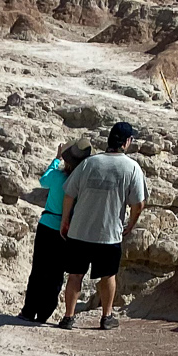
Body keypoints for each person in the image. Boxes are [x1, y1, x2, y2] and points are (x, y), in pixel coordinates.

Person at [57, 121, 147, 330]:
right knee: (108, 275)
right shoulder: (132, 167)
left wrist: (65, 219)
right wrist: (131, 224)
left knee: (75, 274)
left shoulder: (89, 163)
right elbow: (138, 203)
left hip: (80, 229)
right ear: (127, 142)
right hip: (108, 233)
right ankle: (107, 317)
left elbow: (70, 193)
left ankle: (68, 317)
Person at [18, 142, 91, 323]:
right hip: (67, 230)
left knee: (39, 270)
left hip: (47, 224)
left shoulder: (58, 177)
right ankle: (44, 314)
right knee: (56, 273)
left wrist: (56, 158)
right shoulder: (81, 183)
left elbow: (43, 180)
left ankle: (28, 311)